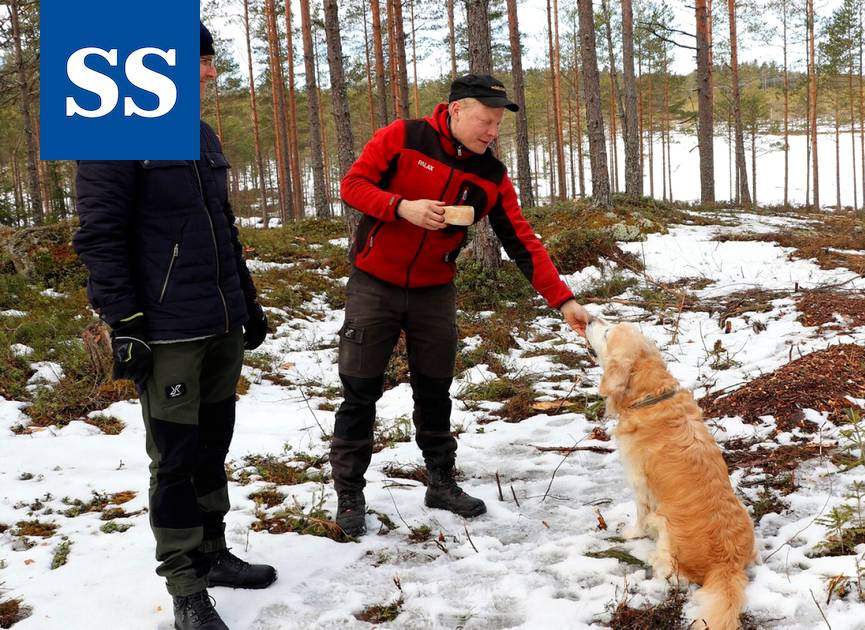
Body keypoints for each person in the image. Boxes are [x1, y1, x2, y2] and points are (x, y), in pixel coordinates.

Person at [72, 24, 276, 630]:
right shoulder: (114, 134)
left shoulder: (200, 134)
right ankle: (185, 583)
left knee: (213, 443)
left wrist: (247, 300)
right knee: (176, 455)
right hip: (167, 332)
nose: (211, 74)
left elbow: (223, 226)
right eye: (202, 61)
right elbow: (98, 237)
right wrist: (125, 320)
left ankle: (212, 552)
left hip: (220, 324)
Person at [332, 73, 589, 534]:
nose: (492, 132)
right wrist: (400, 207)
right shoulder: (403, 137)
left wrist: (563, 300)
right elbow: (353, 185)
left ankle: (441, 481)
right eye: (485, 121)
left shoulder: (490, 174)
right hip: (374, 284)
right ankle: (349, 495)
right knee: (360, 391)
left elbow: (521, 240)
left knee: (435, 390)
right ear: (455, 110)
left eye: (497, 126)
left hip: (434, 290)